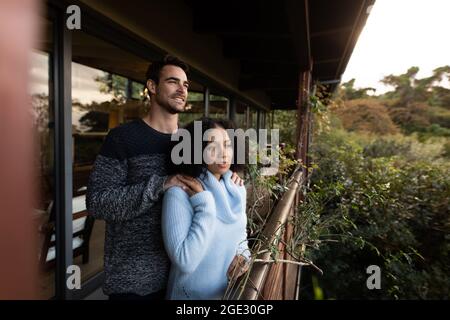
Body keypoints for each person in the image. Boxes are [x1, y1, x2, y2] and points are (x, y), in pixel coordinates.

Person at [86, 56, 243, 300]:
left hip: (184, 277)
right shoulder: (123, 138)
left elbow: (213, 171)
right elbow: (97, 202)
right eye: (173, 82)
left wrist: (232, 176)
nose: (182, 90)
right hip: (134, 280)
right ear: (151, 86)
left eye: (186, 85)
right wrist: (160, 184)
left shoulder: (192, 140)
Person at [162, 117, 251, 300]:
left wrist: (244, 257)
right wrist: (205, 205)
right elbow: (184, 261)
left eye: (227, 145)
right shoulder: (179, 193)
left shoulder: (236, 189)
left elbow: (241, 236)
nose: (223, 154)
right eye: (212, 146)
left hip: (226, 295)